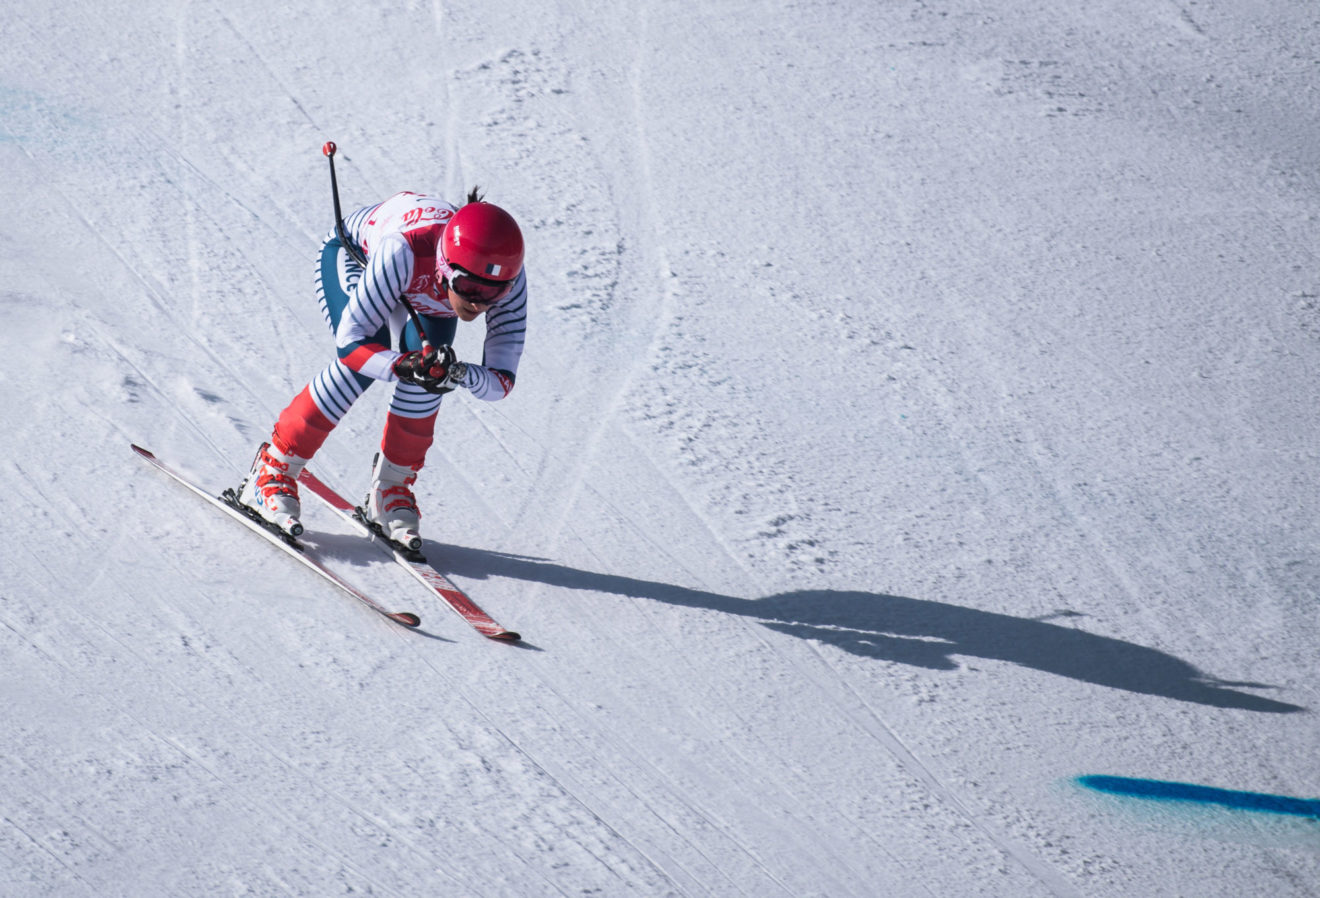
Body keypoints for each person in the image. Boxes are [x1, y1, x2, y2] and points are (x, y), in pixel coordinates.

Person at [236, 188, 527, 550]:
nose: (477, 302)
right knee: (365, 358)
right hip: (356, 257)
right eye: (467, 286)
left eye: (493, 295)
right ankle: (274, 467)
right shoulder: (403, 250)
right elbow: (350, 343)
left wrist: (456, 373)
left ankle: (391, 488)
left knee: (432, 372)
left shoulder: (508, 278)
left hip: (427, 291)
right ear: (446, 267)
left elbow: (502, 381)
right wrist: (402, 364)